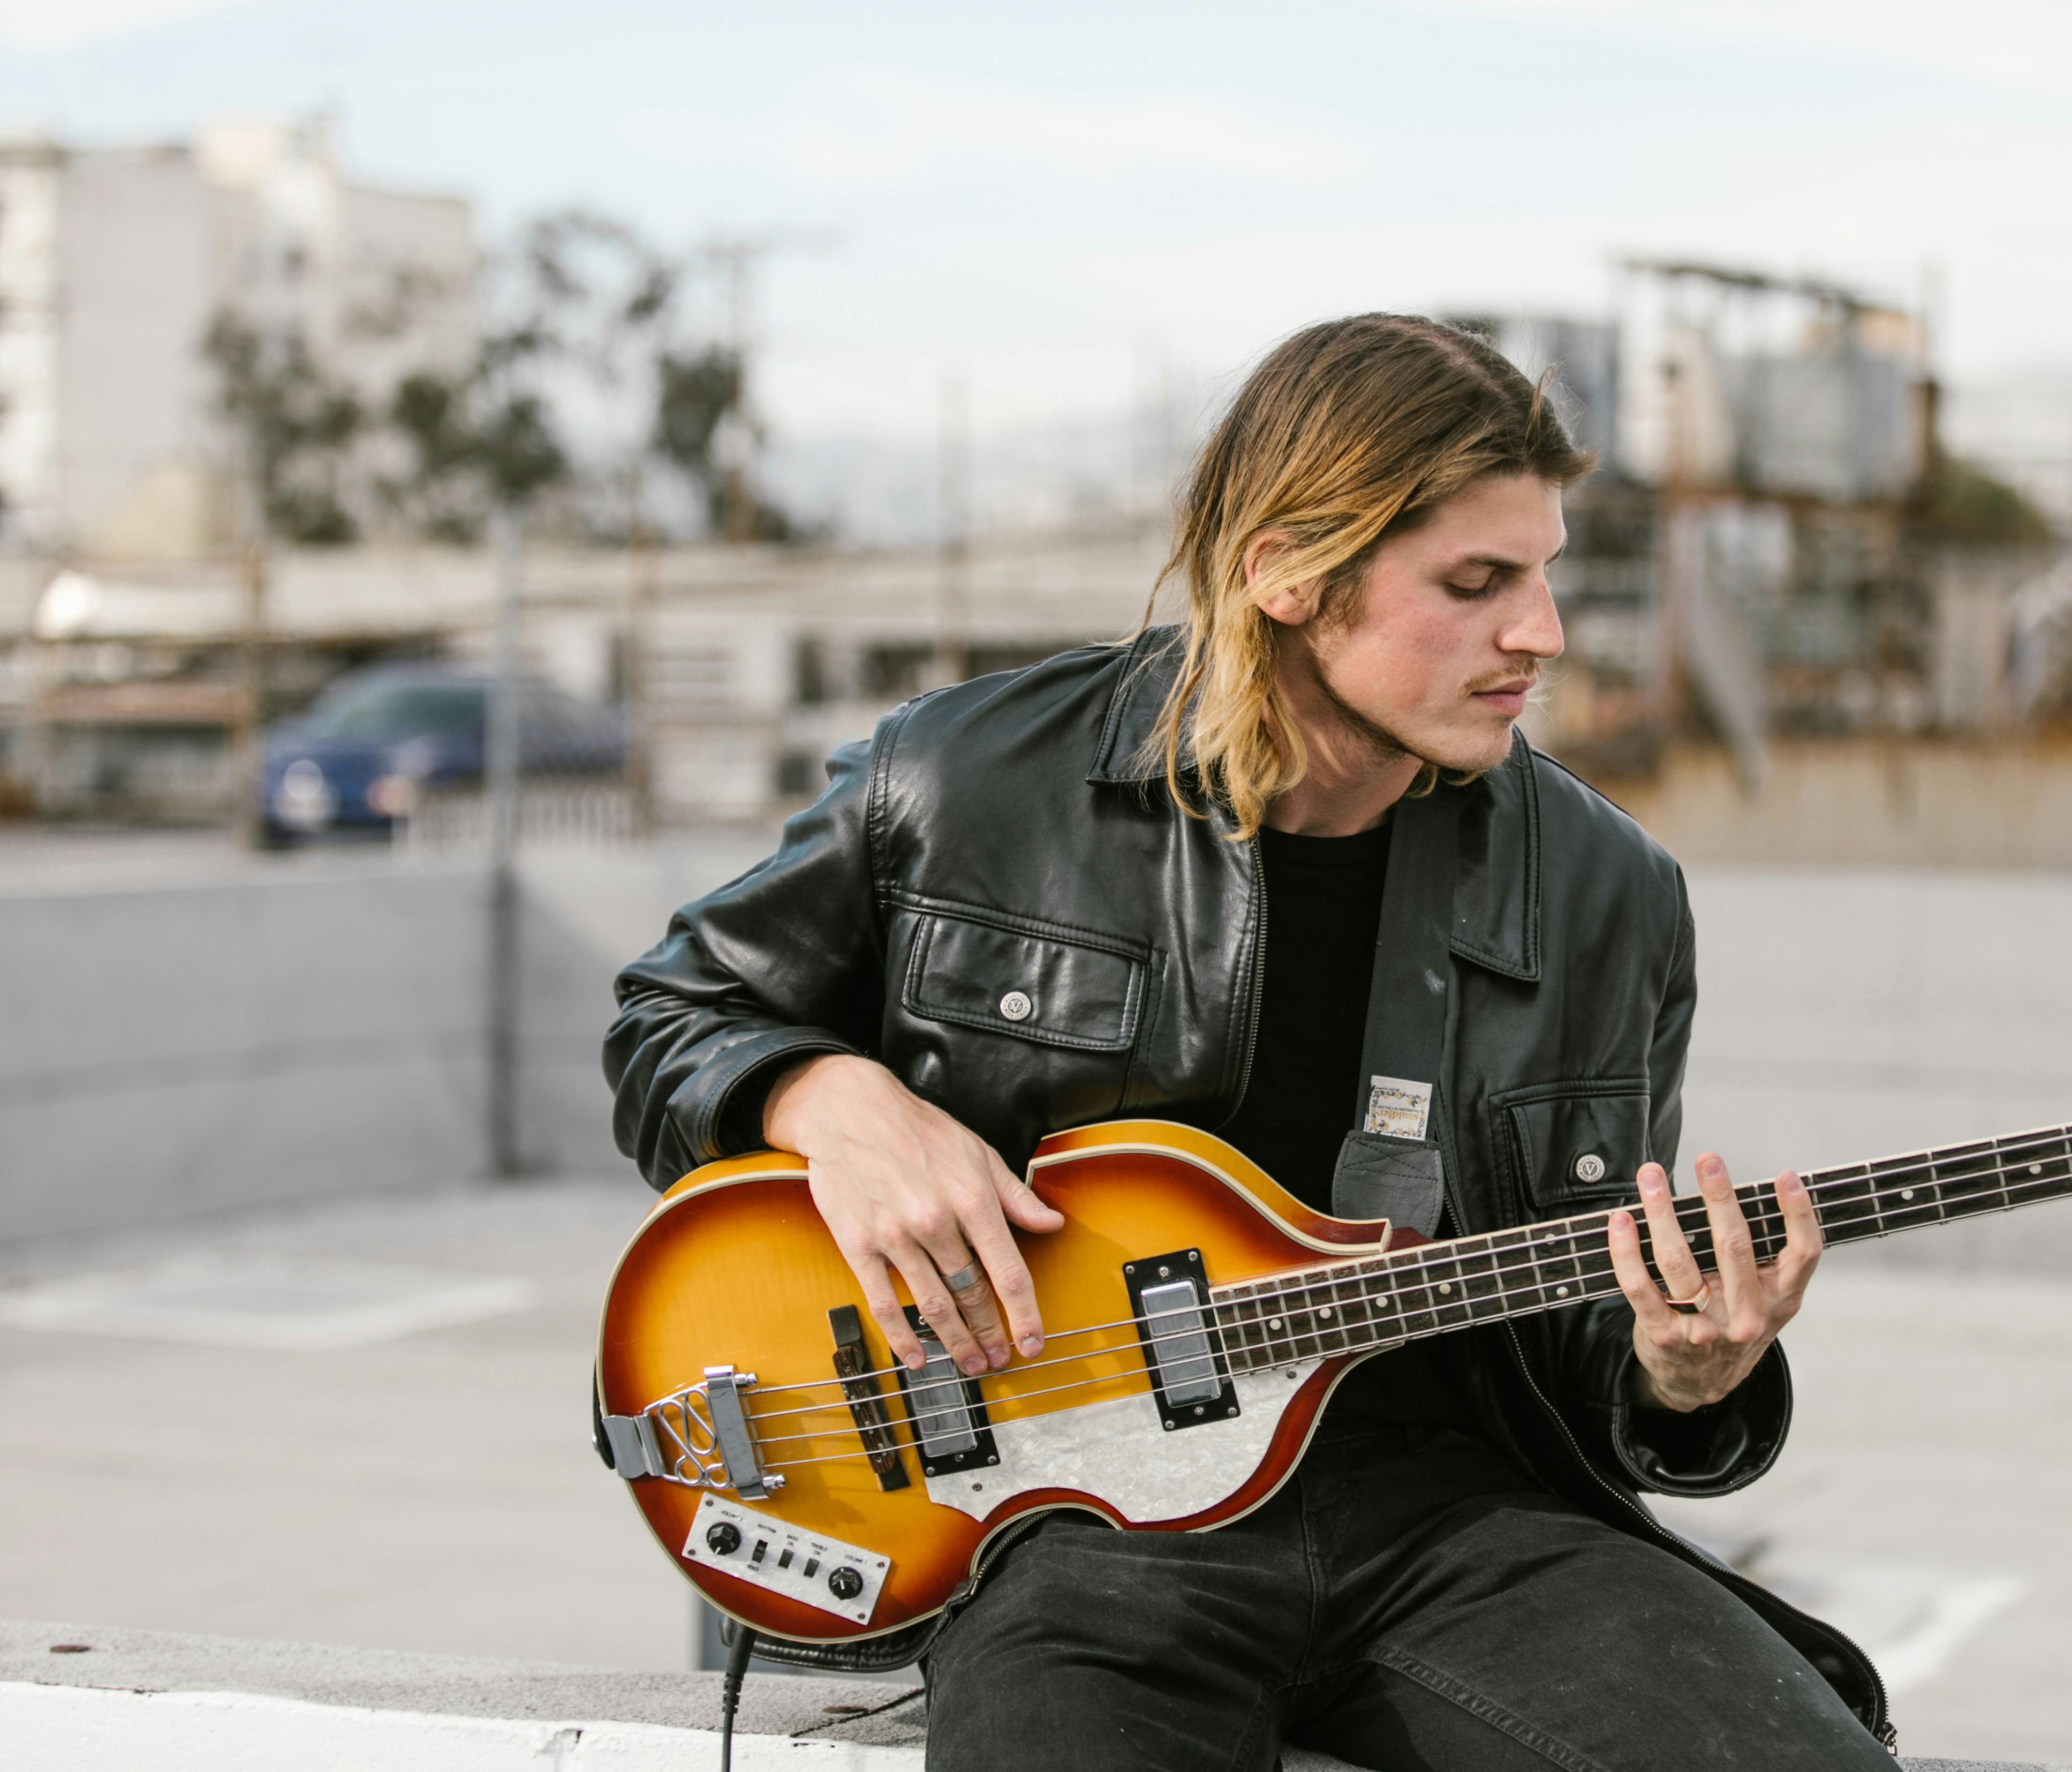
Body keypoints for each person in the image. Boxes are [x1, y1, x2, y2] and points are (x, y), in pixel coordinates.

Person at [605, 314, 1895, 1770]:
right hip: (1077, 1528)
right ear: (1284, 571)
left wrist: (1680, 1370)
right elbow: (673, 1014)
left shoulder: (1606, 892)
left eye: (1541, 576)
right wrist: (826, 1098)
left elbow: (1587, 1318)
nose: (1537, 632)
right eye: (1473, 584)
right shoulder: (965, 778)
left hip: (1449, 1513)